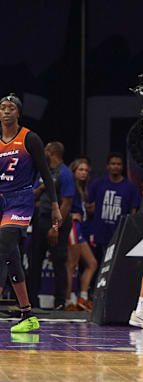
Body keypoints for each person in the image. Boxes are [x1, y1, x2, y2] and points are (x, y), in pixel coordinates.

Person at [0, 93, 62, 332]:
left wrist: (55, 205)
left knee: (3, 245)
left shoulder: (30, 138)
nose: (6, 111)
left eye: (10, 108)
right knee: (11, 257)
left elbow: (46, 173)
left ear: (18, 112)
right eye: (2, 107)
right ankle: (27, 314)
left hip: (20, 200)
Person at [30, 141, 74, 309]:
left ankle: (59, 302)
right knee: (35, 261)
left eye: (45, 150)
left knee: (58, 262)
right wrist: (41, 189)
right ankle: (32, 301)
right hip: (41, 219)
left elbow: (66, 204)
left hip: (58, 221)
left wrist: (55, 228)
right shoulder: (43, 171)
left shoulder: (65, 173)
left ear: (52, 152)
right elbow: (33, 194)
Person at [86, 152, 141, 258]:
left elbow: (133, 213)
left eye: (118, 164)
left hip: (119, 233)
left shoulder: (130, 187)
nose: (115, 166)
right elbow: (87, 205)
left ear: (122, 166)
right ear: (107, 166)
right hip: (99, 233)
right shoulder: (98, 184)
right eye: (113, 163)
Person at [63, 158, 97, 311]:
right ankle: (68, 300)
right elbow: (63, 203)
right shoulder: (70, 186)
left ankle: (83, 298)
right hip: (72, 227)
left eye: (86, 170)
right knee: (72, 264)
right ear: (74, 171)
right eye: (80, 170)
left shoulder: (82, 188)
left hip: (80, 227)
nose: (84, 173)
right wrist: (70, 216)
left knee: (92, 263)